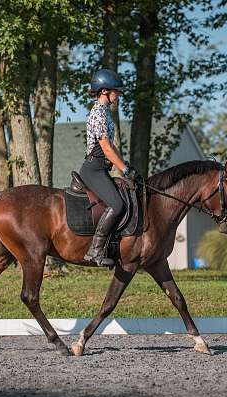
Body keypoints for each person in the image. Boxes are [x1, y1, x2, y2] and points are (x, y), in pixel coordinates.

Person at [80, 69, 141, 267]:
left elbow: (112, 147)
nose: (119, 94)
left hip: (101, 169)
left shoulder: (105, 113)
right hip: (93, 169)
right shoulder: (98, 113)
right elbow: (106, 148)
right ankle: (95, 250)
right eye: (117, 91)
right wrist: (123, 170)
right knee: (117, 204)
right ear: (104, 91)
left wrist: (125, 165)